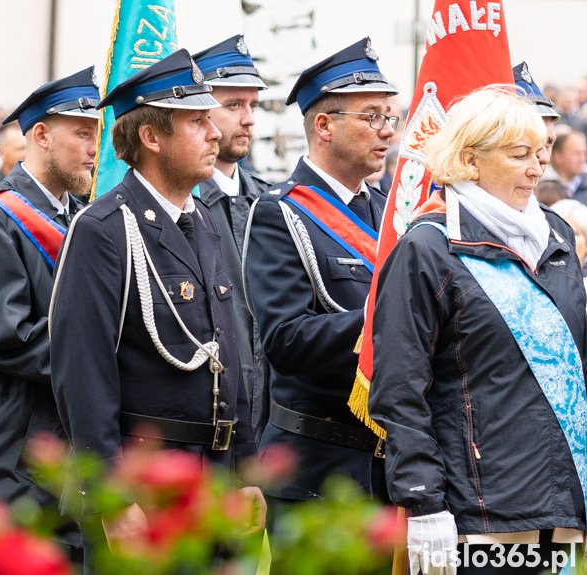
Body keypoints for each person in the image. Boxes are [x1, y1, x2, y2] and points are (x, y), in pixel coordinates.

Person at [50, 49, 265, 564]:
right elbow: (84, 372)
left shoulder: (205, 220)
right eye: (197, 121)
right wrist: (112, 496)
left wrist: (246, 466)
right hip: (145, 480)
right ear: (151, 137)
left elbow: (226, 353)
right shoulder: (105, 229)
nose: (215, 132)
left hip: (213, 476)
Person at [369, 86, 587, 575]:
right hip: (481, 511)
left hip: (566, 505)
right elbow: (400, 390)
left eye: (540, 152)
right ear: (469, 159)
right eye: (518, 155)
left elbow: (579, 366)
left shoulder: (556, 236)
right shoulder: (428, 249)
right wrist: (423, 500)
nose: (537, 169)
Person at [0, 66, 101, 563]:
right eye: (82, 133)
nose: (96, 146)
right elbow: (7, 337)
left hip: (60, 453)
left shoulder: (77, 216)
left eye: (98, 133)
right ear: (42, 135)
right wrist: (107, 357)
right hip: (10, 456)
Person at [243, 37, 396, 520]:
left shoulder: (393, 212)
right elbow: (285, 340)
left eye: (389, 118)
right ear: (324, 125)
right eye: (372, 117)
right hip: (317, 470)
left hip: (390, 470)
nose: (386, 132)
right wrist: (386, 319)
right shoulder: (280, 212)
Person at [191, 35, 270, 444]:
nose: (249, 119)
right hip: (207, 425)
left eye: (253, 105)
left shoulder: (269, 202)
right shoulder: (182, 206)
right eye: (234, 105)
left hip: (270, 428)